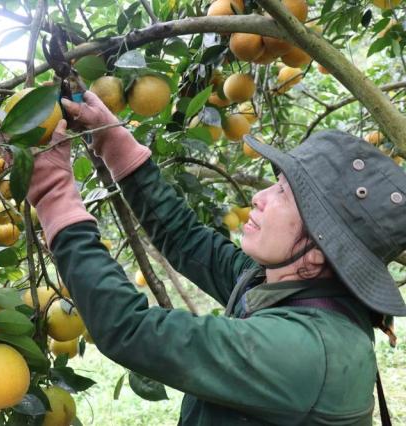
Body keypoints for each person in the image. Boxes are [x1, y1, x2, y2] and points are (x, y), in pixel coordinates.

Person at [25, 91, 406, 425]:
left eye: (285, 194)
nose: (259, 196)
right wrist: (113, 139)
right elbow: (186, 240)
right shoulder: (281, 283)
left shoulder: (307, 353)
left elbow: (131, 329)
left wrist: (53, 193)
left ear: (324, 247)